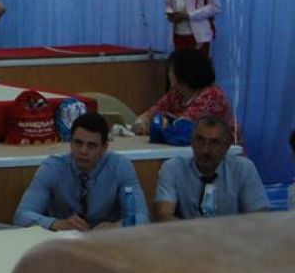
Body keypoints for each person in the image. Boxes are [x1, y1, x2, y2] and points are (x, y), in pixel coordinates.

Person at [14, 112, 150, 230]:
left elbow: (142, 217)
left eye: (91, 145)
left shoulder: (119, 166)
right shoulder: (52, 168)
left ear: (104, 148)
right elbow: (21, 216)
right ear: (70, 142)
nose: (83, 151)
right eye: (78, 143)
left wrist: (117, 227)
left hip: (106, 242)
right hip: (62, 242)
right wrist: (59, 224)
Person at [154, 116, 268, 221]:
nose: (205, 150)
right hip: (187, 235)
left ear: (227, 146)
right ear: (192, 142)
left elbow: (259, 218)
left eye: (214, 142)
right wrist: (196, 233)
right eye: (200, 140)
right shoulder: (173, 168)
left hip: (233, 234)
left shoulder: (243, 169)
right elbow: (163, 216)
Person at [132, 49, 236, 139]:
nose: (168, 74)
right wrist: (142, 121)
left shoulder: (211, 95)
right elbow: (152, 112)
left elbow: (181, 128)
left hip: (220, 150)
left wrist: (154, 126)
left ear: (182, 72)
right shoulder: (176, 93)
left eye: (170, 70)